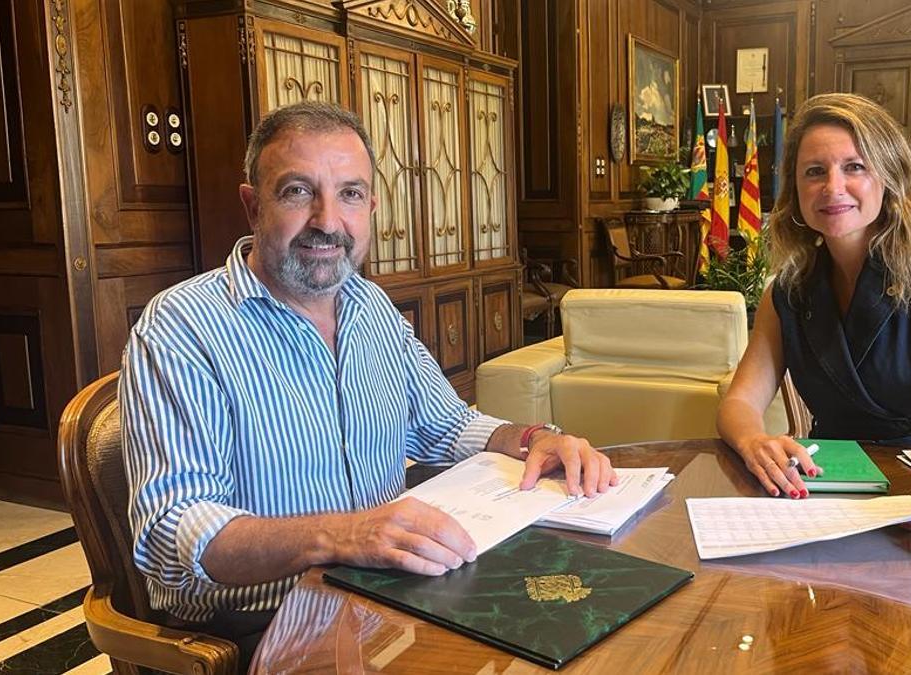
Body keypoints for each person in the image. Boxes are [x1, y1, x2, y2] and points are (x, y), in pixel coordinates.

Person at [119, 101, 616, 658]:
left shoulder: (371, 306)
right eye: (297, 192)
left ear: (371, 207)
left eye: (350, 194)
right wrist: (340, 535)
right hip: (258, 627)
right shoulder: (182, 327)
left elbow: (448, 426)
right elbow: (172, 528)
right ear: (252, 205)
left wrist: (534, 440)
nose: (327, 221)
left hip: (389, 598)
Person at [717, 93, 911, 531]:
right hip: (826, 490)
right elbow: (739, 400)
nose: (833, 187)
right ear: (795, 191)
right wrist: (753, 440)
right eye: (814, 171)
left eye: (854, 167)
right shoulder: (786, 289)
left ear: (890, 176)